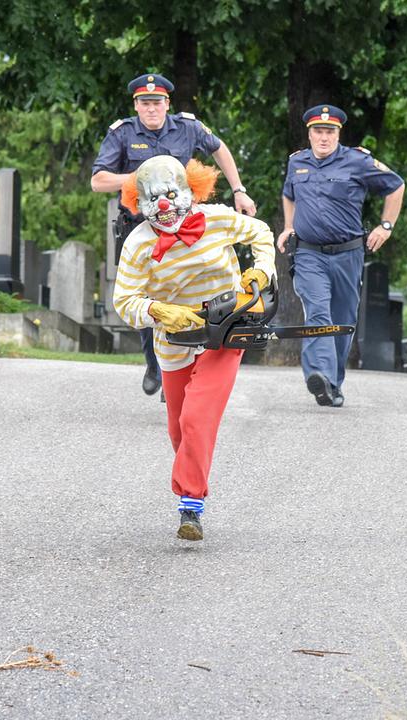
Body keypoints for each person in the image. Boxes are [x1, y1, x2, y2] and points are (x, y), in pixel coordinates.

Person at [112, 156, 275, 541]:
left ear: (190, 191)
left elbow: (262, 233)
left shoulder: (216, 218)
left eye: (171, 195)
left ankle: (190, 506)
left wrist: (262, 269)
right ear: (140, 203)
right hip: (174, 341)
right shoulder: (137, 244)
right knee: (178, 428)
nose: (165, 207)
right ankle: (191, 488)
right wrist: (157, 310)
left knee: (196, 417)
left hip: (226, 330)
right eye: (155, 200)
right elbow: (124, 301)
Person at [92, 72, 257, 399]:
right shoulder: (123, 133)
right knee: (147, 296)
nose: (151, 108)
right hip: (140, 230)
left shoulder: (187, 127)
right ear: (135, 105)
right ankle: (155, 361)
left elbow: (219, 149)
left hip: (184, 227)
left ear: (167, 104)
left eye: (157, 102)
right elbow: (98, 181)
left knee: (187, 288)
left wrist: (238, 189)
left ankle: (181, 364)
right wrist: (138, 177)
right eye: (144, 103)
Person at [278, 104, 405, 408]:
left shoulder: (357, 161)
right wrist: (288, 227)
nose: (324, 137)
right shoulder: (297, 163)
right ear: (309, 134)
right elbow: (288, 194)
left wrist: (386, 226)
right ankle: (318, 373)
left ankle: (332, 383)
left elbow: (396, 185)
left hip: (348, 254)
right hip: (309, 253)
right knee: (318, 311)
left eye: (330, 132)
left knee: (343, 319)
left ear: (339, 134)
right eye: (318, 132)